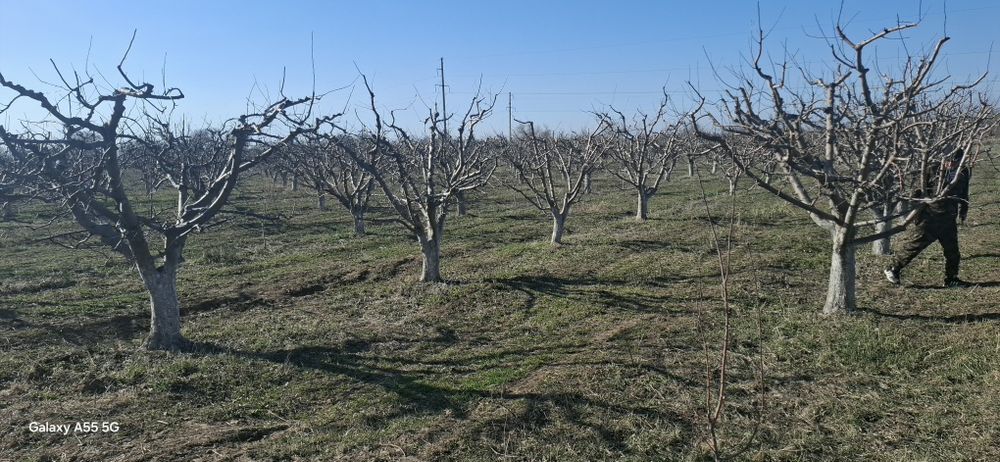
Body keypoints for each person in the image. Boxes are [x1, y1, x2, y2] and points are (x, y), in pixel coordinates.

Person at [884, 150, 972, 287]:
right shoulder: (932, 169)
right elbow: (918, 192)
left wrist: (964, 210)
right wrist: (915, 213)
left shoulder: (964, 171)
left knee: (953, 251)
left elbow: (964, 192)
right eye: (949, 160)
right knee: (915, 245)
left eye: (955, 161)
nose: (951, 163)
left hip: (949, 218)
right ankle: (893, 268)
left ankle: (951, 279)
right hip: (930, 217)